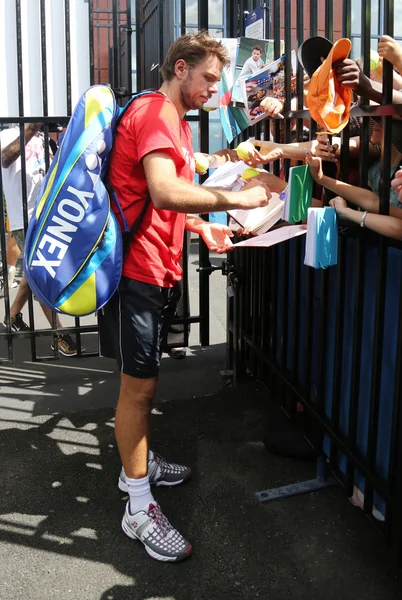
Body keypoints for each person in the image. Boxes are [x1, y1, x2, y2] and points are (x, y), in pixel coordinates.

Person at [107, 31, 271, 562]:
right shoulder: (156, 113)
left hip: (158, 265)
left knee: (144, 385)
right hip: (140, 273)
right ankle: (137, 507)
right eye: (207, 79)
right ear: (180, 68)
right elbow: (162, 190)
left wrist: (200, 230)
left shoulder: (170, 118)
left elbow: (160, 196)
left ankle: (142, 464)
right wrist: (236, 198)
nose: (213, 91)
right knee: (139, 392)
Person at [0, 123, 78, 356]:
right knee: (43, 273)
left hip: (47, 214)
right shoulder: (8, 134)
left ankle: (12, 316)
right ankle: (58, 333)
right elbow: (4, 159)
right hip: (25, 219)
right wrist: (30, 130)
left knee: (34, 272)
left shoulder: (44, 137)